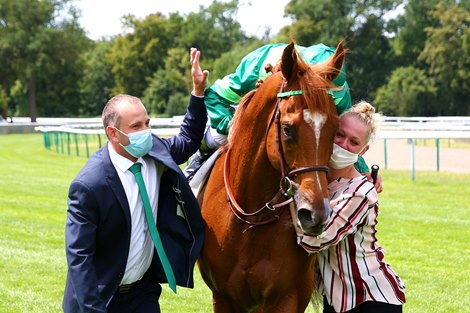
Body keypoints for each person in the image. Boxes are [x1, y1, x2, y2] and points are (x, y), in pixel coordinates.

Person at [63, 48, 209, 313]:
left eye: (147, 122)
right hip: (100, 299)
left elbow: (188, 139)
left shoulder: (153, 149)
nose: (146, 131)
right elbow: (79, 259)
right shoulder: (89, 185)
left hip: (142, 294)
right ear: (113, 133)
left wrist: (198, 92)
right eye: (136, 126)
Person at [183, 42, 370, 181]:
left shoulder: (338, 91)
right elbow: (214, 96)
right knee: (217, 137)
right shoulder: (257, 65)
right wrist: (237, 126)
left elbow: (345, 137)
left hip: (296, 134)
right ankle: (197, 167)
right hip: (247, 124)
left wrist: (363, 170)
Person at [297, 101, 405, 313]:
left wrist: (295, 195)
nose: (343, 144)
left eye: (353, 142)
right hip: (337, 300)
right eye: (339, 135)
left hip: (370, 300)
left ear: (363, 150)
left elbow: (315, 239)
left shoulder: (360, 192)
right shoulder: (323, 183)